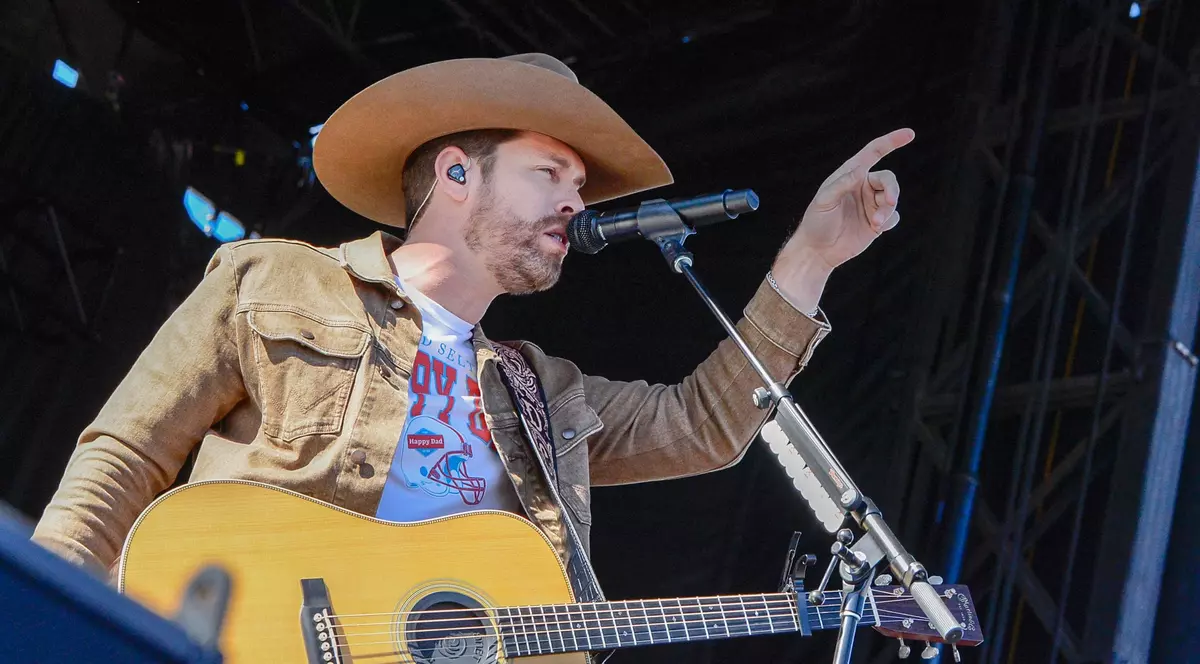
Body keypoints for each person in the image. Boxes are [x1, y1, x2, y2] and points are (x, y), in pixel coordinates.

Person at [31, 53, 911, 584]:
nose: (575, 202)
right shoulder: (273, 280)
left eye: (580, 187)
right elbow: (124, 455)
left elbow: (705, 425)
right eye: (551, 174)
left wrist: (812, 257)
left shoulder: (544, 394)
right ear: (456, 174)